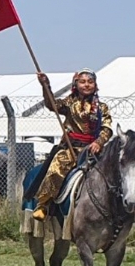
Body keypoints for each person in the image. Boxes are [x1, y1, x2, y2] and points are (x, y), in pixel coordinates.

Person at [33, 69, 112, 221]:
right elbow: (52, 105)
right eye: (82, 82)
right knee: (55, 169)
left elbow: (107, 128)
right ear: (76, 84)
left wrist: (99, 142)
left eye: (90, 82)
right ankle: (44, 204)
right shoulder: (69, 102)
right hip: (71, 149)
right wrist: (45, 86)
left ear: (95, 85)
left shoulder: (102, 107)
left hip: (93, 149)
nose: (87, 85)